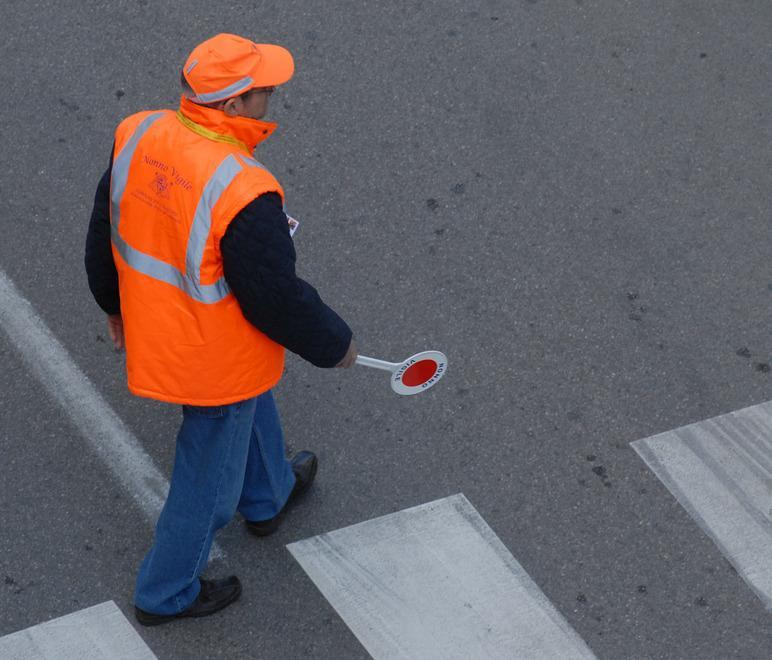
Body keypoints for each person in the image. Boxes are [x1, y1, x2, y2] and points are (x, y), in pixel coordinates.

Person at [84, 33, 357, 626]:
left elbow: (104, 224)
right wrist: (335, 346)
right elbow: (275, 298)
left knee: (250, 402)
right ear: (232, 107)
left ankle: (271, 495)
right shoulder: (243, 188)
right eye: (263, 89)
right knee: (206, 484)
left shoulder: (139, 132)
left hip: (164, 326)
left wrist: (112, 303)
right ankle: (165, 591)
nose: (273, 94)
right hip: (213, 354)